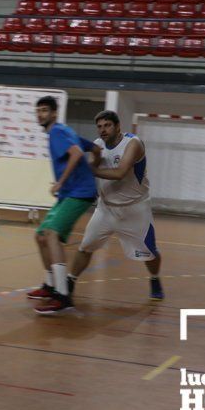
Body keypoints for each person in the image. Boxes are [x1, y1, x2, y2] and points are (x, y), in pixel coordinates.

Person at [67, 110, 164, 303]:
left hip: (135, 209)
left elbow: (120, 172)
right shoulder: (98, 145)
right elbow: (94, 166)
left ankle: (154, 278)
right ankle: (70, 282)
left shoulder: (133, 143)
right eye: (100, 126)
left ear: (118, 126)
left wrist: (90, 169)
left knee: (150, 253)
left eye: (107, 125)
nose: (103, 130)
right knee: (85, 246)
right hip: (106, 209)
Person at [28, 95, 97, 315]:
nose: (41, 114)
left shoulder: (57, 132)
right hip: (69, 193)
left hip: (78, 193)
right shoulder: (65, 131)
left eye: (45, 110)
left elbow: (76, 153)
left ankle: (62, 295)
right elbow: (94, 149)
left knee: (51, 234)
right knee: (40, 236)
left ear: (54, 113)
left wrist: (61, 181)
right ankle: (50, 286)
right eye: (38, 110)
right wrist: (93, 167)